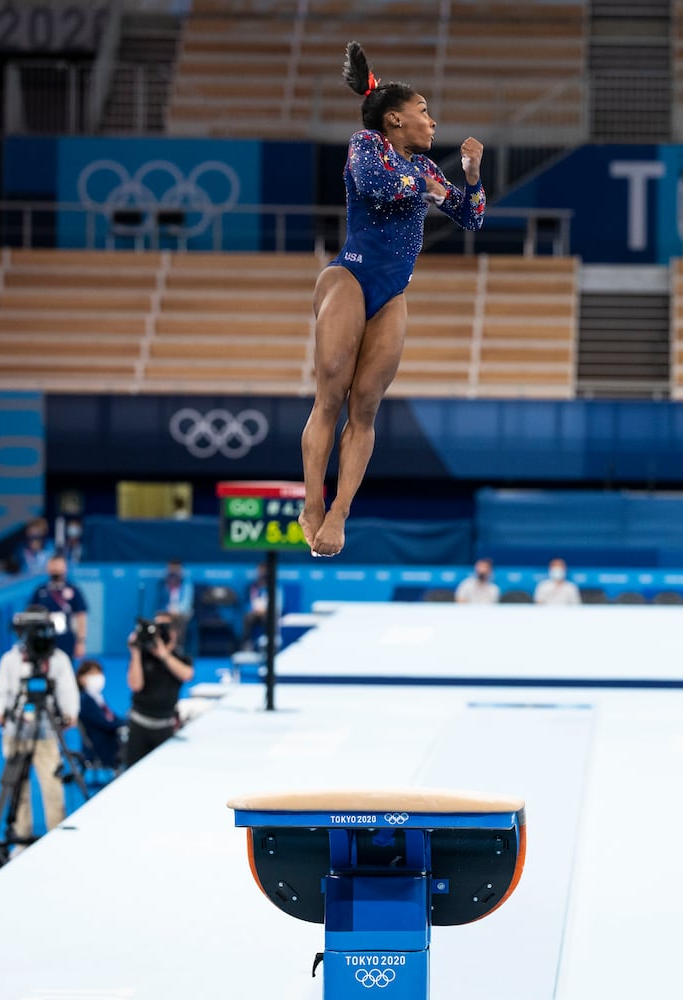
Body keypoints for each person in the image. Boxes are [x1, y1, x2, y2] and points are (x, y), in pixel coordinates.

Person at [298, 41, 486, 558]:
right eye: (424, 112)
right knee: (330, 395)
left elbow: (471, 216)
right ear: (396, 120)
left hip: (392, 292)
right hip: (349, 278)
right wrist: (425, 183)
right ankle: (312, 503)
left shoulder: (424, 171)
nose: (432, 122)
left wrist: (469, 178)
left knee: (365, 407)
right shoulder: (367, 145)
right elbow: (375, 184)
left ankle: (339, 513)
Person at [0, 609, 80, 845]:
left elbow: (68, 690)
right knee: (17, 787)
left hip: (46, 733)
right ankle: (21, 839)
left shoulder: (58, 659)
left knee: (52, 785)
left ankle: (56, 837)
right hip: (16, 732)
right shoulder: (10, 660)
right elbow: (0, 691)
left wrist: (70, 713)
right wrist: (0, 712)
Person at [125, 612, 194, 767]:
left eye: (164, 627)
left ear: (174, 632)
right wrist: (135, 653)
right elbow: (135, 685)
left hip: (165, 726)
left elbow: (187, 674)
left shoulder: (180, 658)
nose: (159, 632)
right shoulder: (143, 656)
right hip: (139, 725)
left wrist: (164, 655)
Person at [28, 555, 88, 663]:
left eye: (59, 566)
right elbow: (31, 614)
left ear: (65, 568)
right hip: (45, 638)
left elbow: (81, 616)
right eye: (53, 566)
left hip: (66, 638)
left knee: (67, 670)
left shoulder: (73, 590)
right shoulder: (40, 591)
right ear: (48, 568)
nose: (56, 569)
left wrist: (81, 641)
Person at [75, 659, 124, 771]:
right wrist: (124, 723)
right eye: (92, 674)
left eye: (99, 673)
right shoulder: (85, 700)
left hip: (107, 737)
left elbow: (111, 717)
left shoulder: (96, 697)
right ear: (81, 678)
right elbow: (103, 722)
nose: (97, 677)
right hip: (101, 742)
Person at [158, 560, 195, 638]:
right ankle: (162, 644)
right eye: (171, 572)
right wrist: (167, 611)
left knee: (179, 619)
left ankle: (177, 646)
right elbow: (160, 604)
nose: (173, 575)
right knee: (159, 619)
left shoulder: (187, 585)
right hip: (166, 613)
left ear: (180, 572)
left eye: (176, 572)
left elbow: (187, 604)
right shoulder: (162, 586)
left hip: (182, 614)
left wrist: (176, 611)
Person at [242, 562, 272, 651]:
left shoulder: (273, 586)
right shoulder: (252, 586)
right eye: (260, 571)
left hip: (267, 612)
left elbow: (279, 603)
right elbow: (247, 602)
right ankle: (247, 644)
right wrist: (253, 610)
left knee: (267, 618)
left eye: (264, 571)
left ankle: (267, 643)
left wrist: (266, 610)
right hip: (254, 613)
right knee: (247, 617)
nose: (262, 573)